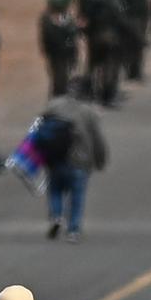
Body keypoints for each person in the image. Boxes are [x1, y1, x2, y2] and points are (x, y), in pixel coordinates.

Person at [37, 93, 107, 243]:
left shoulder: (54, 106)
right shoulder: (88, 113)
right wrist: (100, 160)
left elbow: (40, 129)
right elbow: (97, 139)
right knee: (77, 196)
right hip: (79, 161)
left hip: (55, 159)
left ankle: (56, 216)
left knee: (55, 190)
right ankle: (73, 230)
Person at [39, 0, 79, 98]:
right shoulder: (54, 20)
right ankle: (58, 100)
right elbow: (67, 31)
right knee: (60, 78)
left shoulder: (49, 17)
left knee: (62, 76)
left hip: (59, 52)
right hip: (59, 53)